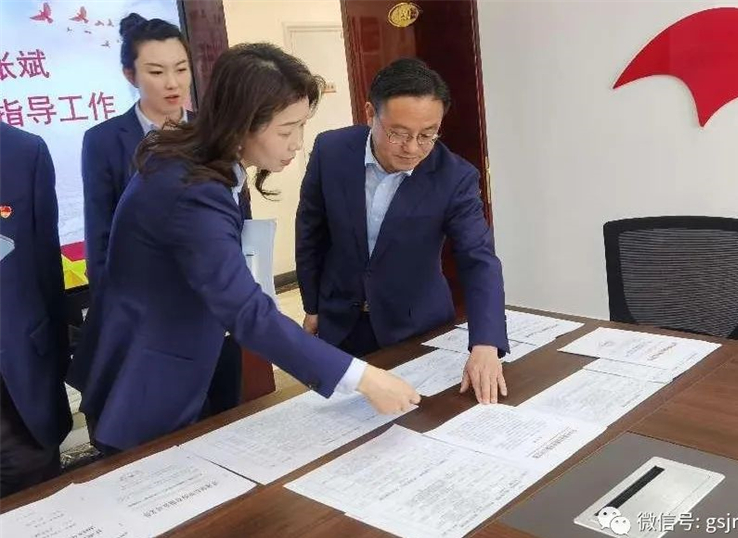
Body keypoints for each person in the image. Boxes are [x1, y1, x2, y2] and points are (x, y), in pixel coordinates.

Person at [67, 43, 420, 454]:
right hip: (146, 377)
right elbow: (245, 310)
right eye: (286, 131)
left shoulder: (200, 163)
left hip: (175, 355)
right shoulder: (193, 190)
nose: (297, 144)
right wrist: (363, 378)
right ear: (242, 123)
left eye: (301, 127)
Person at [296, 58, 509, 405]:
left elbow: (478, 259)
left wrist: (486, 343)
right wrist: (313, 305)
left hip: (416, 329)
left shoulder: (454, 177)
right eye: (398, 133)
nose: (412, 148)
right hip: (339, 325)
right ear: (370, 113)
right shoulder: (330, 151)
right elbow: (310, 231)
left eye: (427, 135)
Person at [81, 13, 247, 415]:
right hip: (149, 325)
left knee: (225, 417)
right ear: (130, 75)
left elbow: (236, 222)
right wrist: (120, 322)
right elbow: (101, 240)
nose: (173, 83)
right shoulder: (104, 141)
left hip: (215, 311)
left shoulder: (216, 133)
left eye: (181, 68)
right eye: (156, 72)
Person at [0, 123, 72, 496]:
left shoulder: (23, 151)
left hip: (17, 390)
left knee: (41, 502)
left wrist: (57, 361)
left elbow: (46, 267)